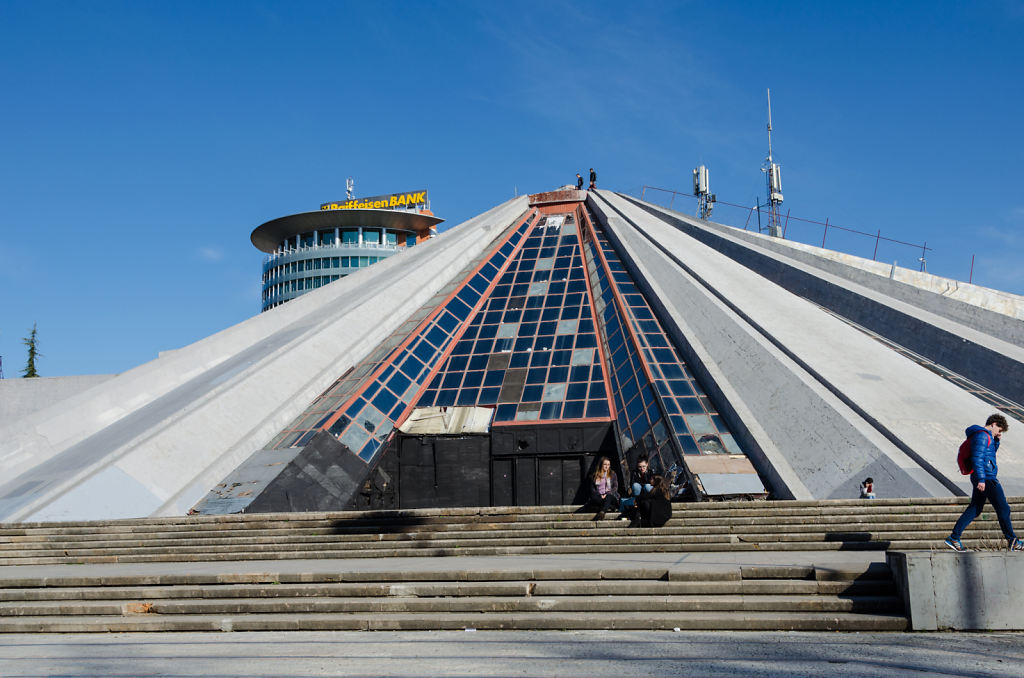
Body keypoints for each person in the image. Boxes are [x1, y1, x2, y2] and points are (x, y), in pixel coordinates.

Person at [944, 414, 1022, 552]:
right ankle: (1013, 541)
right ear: (993, 424)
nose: (1000, 433)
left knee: (975, 508)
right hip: (987, 478)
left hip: (983, 476)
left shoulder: (985, 436)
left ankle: (954, 537)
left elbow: (988, 455)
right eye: (999, 430)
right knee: (1003, 508)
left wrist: (996, 441)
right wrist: (981, 479)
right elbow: (977, 458)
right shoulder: (982, 435)